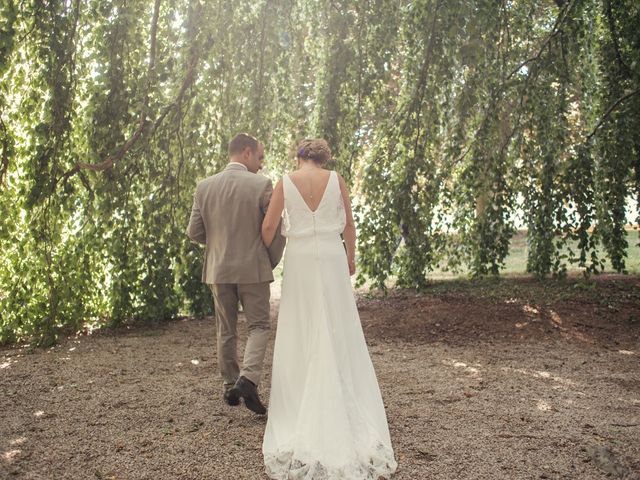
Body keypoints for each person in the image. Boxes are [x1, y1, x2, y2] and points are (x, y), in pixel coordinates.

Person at [260, 139, 397, 479]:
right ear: (324, 159)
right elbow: (349, 224)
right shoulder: (337, 180)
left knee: (302, 326)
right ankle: (341, 397)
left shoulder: (285, 181)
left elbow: (267, 229)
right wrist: (349, 257)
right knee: (338, 325)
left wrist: (271, 248)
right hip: (332, 256)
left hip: (301, 258)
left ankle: (303, 404)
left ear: (299, 157)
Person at [186, 133, 285, 415]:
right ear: (246, 152)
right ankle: (248, 379)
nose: (262, 164)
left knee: (225, 328)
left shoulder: (204, 187)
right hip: (252, 267)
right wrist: (269, 259)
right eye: (260, 157)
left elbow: (194, 232)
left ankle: (231, 384)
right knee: (258, 326)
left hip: (218, 269)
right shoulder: (261, 185)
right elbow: (274, 228)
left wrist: (219, 244)